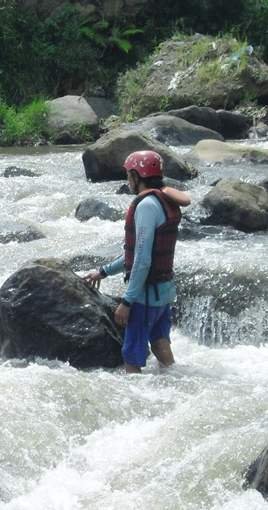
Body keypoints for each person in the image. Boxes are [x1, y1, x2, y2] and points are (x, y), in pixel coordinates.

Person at [85, 150, 186, 373]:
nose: (127, 180)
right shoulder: (163, 200)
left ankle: (137, 399)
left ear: (136, 176)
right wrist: (103, 271)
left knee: (132, 354)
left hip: (145, 298)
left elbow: (141, 260)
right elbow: (137, 255)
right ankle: (174, 383)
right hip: (164, 293)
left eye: (129, 175)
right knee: (160, 343)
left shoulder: (146, 206)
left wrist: (127, 302)